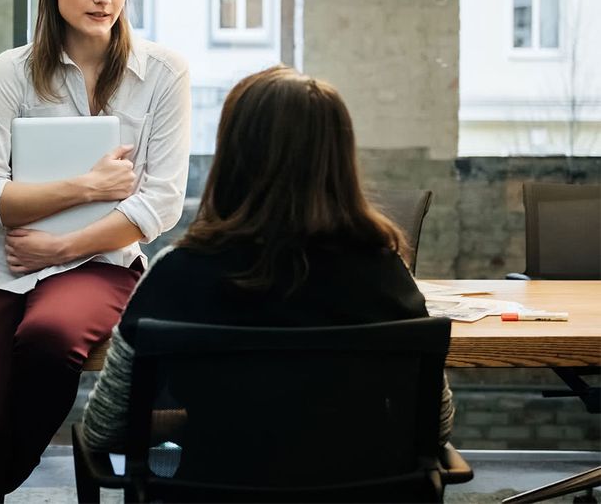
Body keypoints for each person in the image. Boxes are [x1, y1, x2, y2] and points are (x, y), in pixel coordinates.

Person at [0, 0, 191, 502]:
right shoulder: (12, 71)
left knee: (50, 338)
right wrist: (89, 185)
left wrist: (62, 246)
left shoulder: (163, 73)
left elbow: (161, 202)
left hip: (98, 264)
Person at [81, 65, 455, 454]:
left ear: (233, 157)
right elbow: (434, 424)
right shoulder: (384, 273)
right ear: (339, 161)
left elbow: (105, 429)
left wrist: (208, 419)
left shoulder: (177, 274)